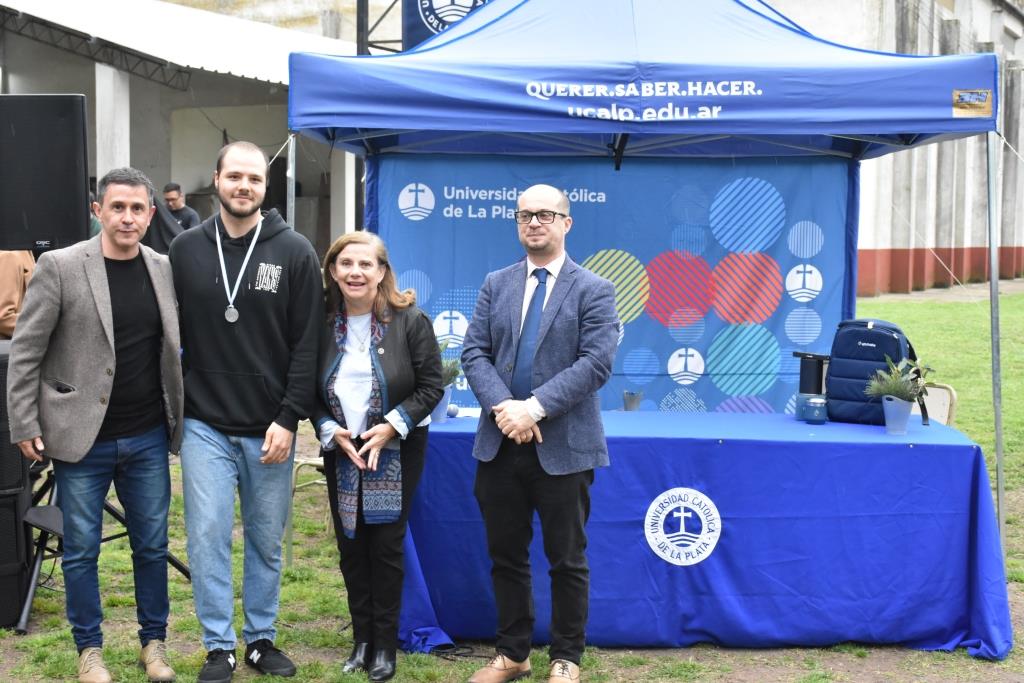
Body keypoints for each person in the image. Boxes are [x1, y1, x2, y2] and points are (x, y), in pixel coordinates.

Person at [6, 167, 183, 683]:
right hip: (81, 439)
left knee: (151, 546)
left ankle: (154, 645)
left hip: (149, 436)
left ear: (151, 214)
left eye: (137, 208)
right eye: (117, 207)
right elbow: (26, 353)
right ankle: (90, 651)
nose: (127, 217)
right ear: (97, 210)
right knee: (81, 552)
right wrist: (23, 421)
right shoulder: (60, 267)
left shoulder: (163, 268)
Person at [168, 141, 322, 683]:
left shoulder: (296, 251)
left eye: (254, 179)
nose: (244, 187)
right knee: (207, 535)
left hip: (269, 428)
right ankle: (218, 646)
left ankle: (260, 639)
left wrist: (288, 418)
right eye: (234, 176)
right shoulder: (184, 249)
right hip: (203, 423)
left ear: (265, 187)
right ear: (216, 180)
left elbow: (308, 345)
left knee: (264, 538)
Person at [461, 184, 619, 683]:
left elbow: (596, 363)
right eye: (524, 215)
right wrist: (506, 408)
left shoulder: (594, 288)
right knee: (506, 557)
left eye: (545, 215)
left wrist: (534, 408)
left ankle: (566, 659)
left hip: (564, 448)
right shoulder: (496, 283)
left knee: (566, 560)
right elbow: (474, 353)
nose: (534, 223)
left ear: (566, 223)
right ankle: (513, 654)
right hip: (499, 443)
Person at [313, 231, 443, 682]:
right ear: (333, 270)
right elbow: (307, 391)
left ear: (382, 271)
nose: (355, 272)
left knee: (386, 546)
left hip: (397, 447)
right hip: (343, 448)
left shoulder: (409, 321)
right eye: (346, 263)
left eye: (366, 264)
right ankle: (362, 639)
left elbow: (431, 386)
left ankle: (385, 646)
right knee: (352, 546)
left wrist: (391, 426)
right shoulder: (321, 322)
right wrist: (329, 430)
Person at [0, 250, 35, 338]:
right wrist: (45, 325)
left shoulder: (24, 250)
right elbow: (3, 318)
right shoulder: (9, 255)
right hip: (9, 347)